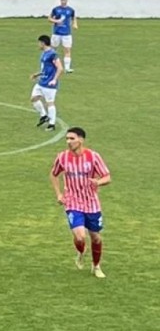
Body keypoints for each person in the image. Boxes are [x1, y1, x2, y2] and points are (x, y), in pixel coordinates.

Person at [50, 127, 111, 278]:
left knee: (96, 237)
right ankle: (80, 251)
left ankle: (96, 266)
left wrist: (98, 182)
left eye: (72, 138)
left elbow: (107, 177)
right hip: (72, 201)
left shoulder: (93, 157)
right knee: (80, 236)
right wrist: (59, 194)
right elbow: (53, 174)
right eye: (67, 139)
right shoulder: (62, 157)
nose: (68, 142)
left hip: (91, 202)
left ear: (81, 140)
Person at [30, 34, 62, 131]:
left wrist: (54, 80)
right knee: (33, 99)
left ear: (43, 43)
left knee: (50, 103)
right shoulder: (44, 53)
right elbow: (45, 69)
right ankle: (44, 115)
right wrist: (37, 74)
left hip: (49, 84)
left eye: (39, 43)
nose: (38, 45)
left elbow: (60, 68)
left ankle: (51, 124)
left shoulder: (53, 54)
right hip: (41, 82)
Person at [48, 0, 76, 73]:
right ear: (60, 0)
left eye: (65, 0)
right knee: (53, 49)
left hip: (66, 33)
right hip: (56, 33)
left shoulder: (71, 10)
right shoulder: (56, 9)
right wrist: (56, 21)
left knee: (67, 50)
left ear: (67, 0)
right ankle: (51, 65)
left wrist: (74, 24)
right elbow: (49, 18)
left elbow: (73, 17)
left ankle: (67, 68)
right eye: (62, 0)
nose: (63, 1)